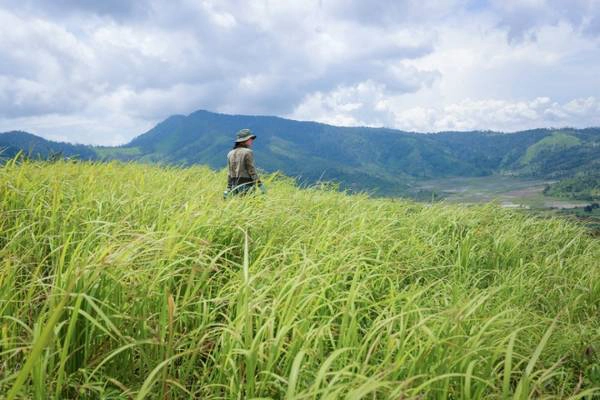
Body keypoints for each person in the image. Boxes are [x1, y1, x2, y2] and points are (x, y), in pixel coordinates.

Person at [225, 128, 261, 197]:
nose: (252, 141)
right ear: (245, 140)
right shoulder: (248, 152)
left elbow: (229, 172)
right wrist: (259, 184)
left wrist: (228, 187)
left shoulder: (230, 153)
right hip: (246, 185)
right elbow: (251, 170)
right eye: (250, 139)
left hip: (234, 185)